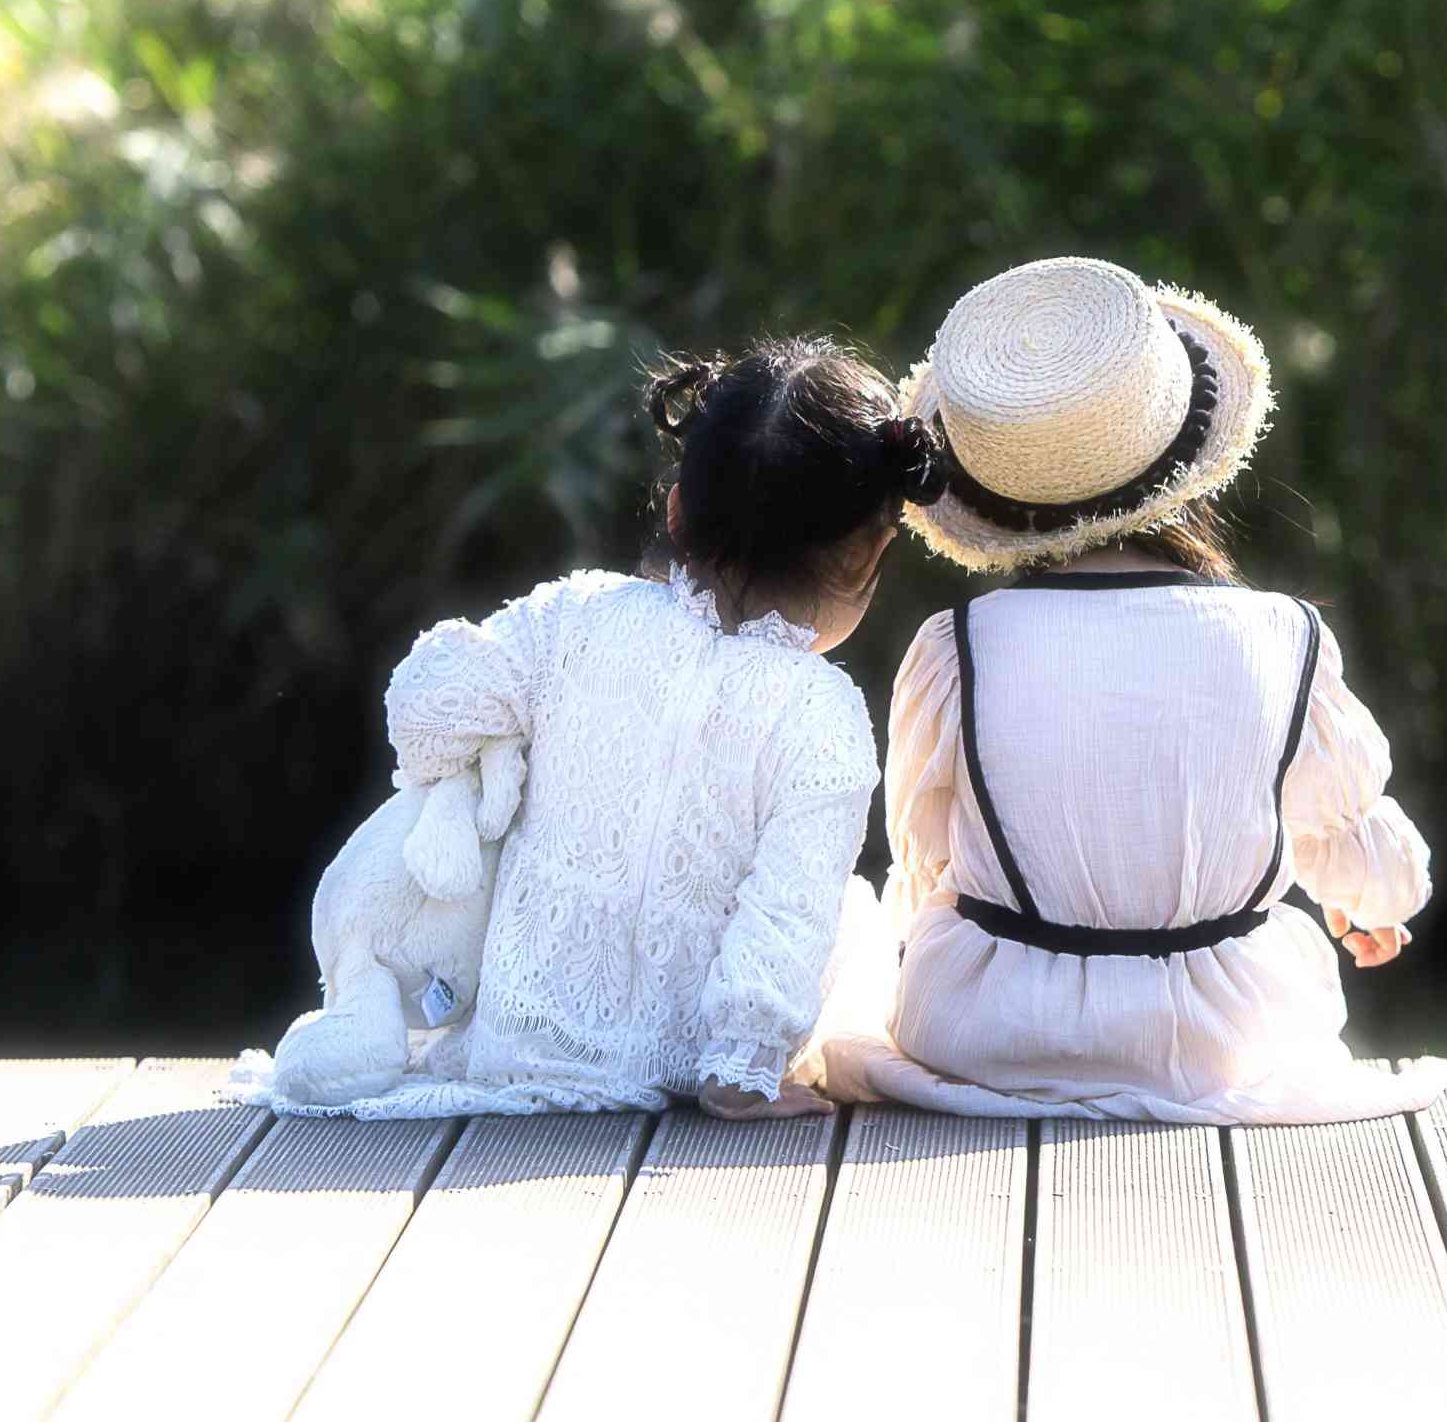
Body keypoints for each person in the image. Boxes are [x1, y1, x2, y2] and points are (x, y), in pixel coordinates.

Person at [231, 338, 944, 1121]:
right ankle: (740, 1064)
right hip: (683, 1063)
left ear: (676, 511)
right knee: (847, 908)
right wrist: (741, 1073)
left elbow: (425, 707)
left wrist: (492, 761)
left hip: (517, 1045)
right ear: (867, 555)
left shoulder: (572, 619)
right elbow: (787, 913)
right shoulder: (822, 712)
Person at [818, 258, 1447, 1123]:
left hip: (991, 1037)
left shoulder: (957, 646)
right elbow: (1354, 843)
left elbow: (926, 862)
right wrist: (1370, 903)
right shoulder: (1283, 634)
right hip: (1228, 1040)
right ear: (1184, 455)